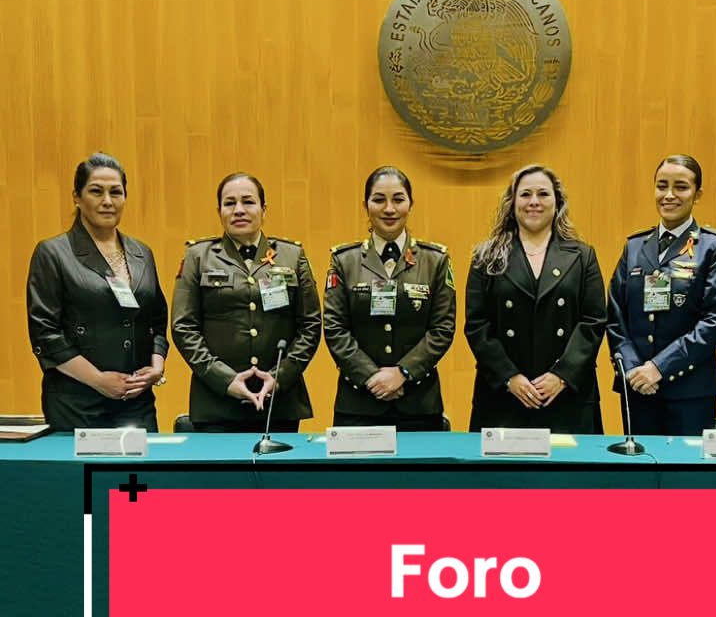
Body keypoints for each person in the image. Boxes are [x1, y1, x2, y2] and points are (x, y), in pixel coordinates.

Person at [26, 152, 168, 431]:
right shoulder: (54, 253)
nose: (107, 201)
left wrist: (156, 367)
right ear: (77, 197)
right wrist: (98, 380)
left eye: (116, 192)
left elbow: (157, 321)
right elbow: (45, 333)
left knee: (141, 475)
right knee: (85, 476)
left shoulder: (142, 253)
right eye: (96, 191)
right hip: (77, 402)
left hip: (135, 400)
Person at [171, 173, 321, 433]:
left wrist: (279, 376)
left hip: (279, 401)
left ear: (264, 209)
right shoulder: (198, 256)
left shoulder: (292, 255)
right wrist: (225, 379)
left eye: (248, 202)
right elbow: (184, 327)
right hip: (216, 402)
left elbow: (310, 324)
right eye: (229, 203)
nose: (239, 210)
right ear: (219, 211)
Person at [465, 164, 605, 434]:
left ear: (557, 202)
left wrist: (561, 376)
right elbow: (477, 325)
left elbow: (594, 322)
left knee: (569, 474)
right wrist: (510, 377)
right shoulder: (486, 257)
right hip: (505, 396)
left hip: (567, 395)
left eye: (543, 194)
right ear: (512, 202)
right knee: (504, 476)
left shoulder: (582, 256)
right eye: (525, 194)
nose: (534, 202)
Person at [606, 154, 716, 437]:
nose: (669, 195)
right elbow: (615, 317)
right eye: (661, 186)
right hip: (637, 388)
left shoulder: (714, 248)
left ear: (697, 194)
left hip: (689, 391)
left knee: (685, 479)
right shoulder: (635, 247)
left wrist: (659, 367)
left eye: (680, 187)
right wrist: (632, 369)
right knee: (639, 475)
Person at [323, 166, 456, 430]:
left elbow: (442, 328)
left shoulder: (434, 260)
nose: (389, 209)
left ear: (410, 204)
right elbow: (335, 328)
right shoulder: (344, 260)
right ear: (366, 205)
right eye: (379, 199)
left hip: (418, 401)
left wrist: (403, 373)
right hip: (358, 402)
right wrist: (372, 376)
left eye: (398, 199)